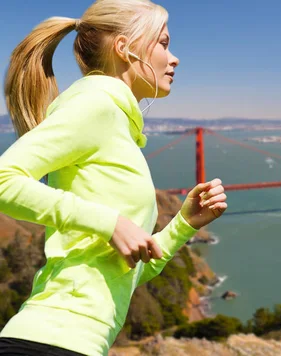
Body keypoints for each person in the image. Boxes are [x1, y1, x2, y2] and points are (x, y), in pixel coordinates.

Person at [0, 0, 227, 355]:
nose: (175, 58)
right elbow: (4, 181)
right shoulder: (96, 106)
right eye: (163, 43)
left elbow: (127, 271)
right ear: (124, 49)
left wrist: (184, 224)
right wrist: (109, 223)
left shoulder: (118, 125)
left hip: (76, 344)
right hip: (49, 340)